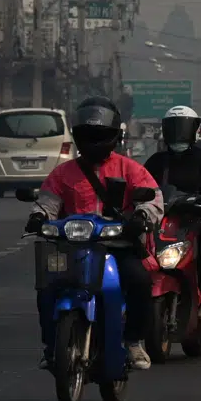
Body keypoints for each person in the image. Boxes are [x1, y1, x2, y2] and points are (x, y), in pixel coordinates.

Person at [27, 96, 162, 371]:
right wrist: (38, 217)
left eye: (100, 135)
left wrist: (141, 216)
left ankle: (134, 341)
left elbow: (153, 199)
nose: (94, 140)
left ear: (114, 136)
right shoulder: (62, 173)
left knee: (139, 281)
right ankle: (51, 347)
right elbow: (48, 203)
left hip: (118, 245)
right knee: (46, 289)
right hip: (70, 248)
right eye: (88, 134)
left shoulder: (130, 169)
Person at [143, 105, 201, 324]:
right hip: (162, 219)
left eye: (183, 127)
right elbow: (142, 185)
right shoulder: (156, 161)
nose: (179, 133)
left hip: (196, 218)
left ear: (194, 130)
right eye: (174, 127)